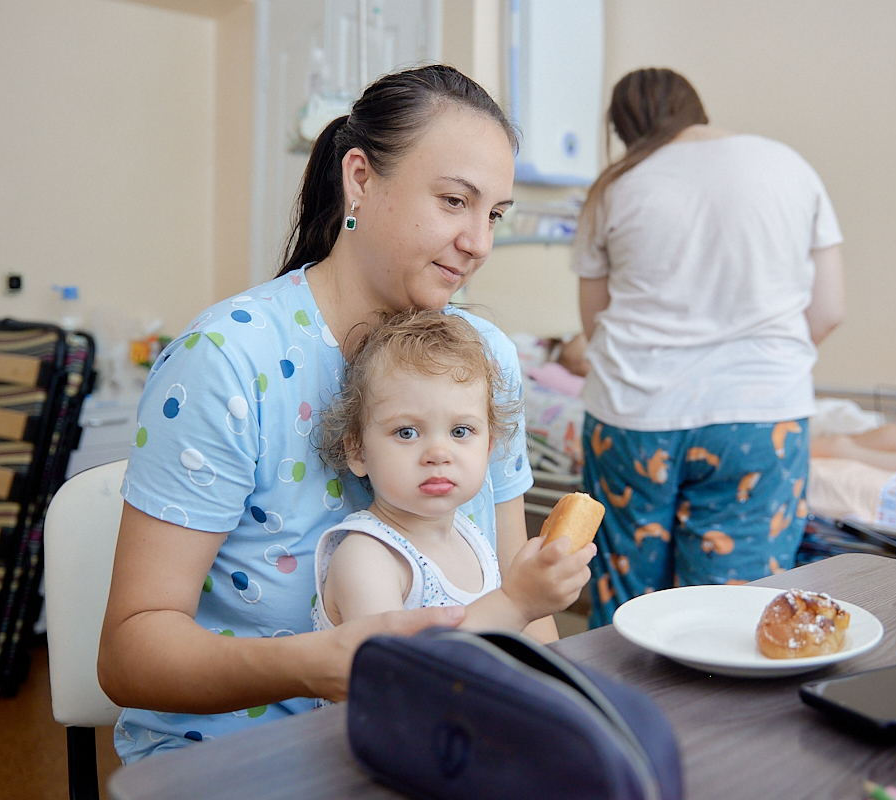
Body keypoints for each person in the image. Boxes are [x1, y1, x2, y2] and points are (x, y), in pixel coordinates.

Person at [97, 65, 541, 763]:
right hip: (246, 757)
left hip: (436, 739)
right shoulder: (226, 361)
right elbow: (130, 654)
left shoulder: (484, 357)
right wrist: (314, 661)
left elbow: (527, 600)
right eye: (455, 201)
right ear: (360, 179)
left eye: (494, 215)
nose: (480, 243)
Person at [572, 68, 845, 627]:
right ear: (695, 108)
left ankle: (616, 715)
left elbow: (596, 324)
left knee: (627, 610)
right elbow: (829, 310)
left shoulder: (615, 186)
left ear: (624, 128)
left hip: (634, 417)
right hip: (759, 416)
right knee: (736, 616)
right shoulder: (789, 166)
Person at [312, 310, 593, 648]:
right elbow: (396, 672)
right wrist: (517, 603)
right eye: (407, 432)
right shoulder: (366, 556)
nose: (438, 453)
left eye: (460, 431)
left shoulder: (473, 540)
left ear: (488, 450)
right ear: (358, 452)